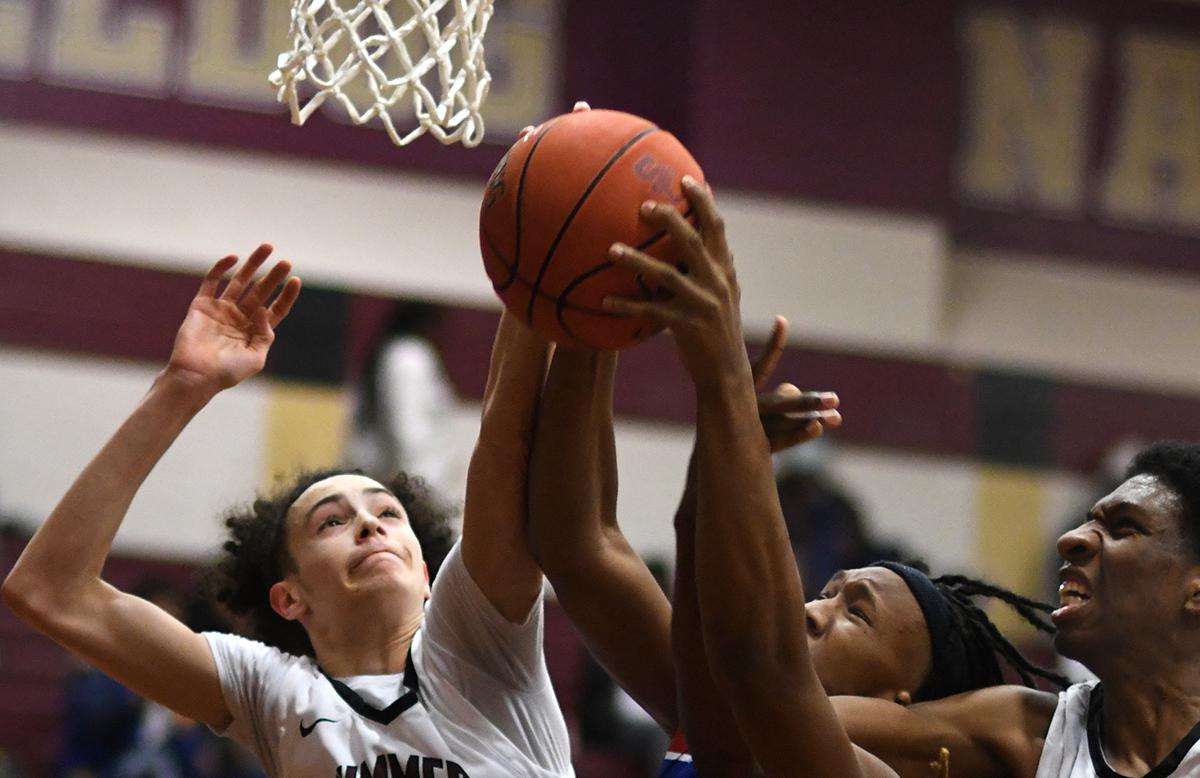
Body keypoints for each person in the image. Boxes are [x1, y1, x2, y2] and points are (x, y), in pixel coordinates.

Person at [2, 245, 573, 777]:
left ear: (427, 574)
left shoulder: (479, 644)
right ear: (289, 596)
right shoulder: (270, 692)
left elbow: (505, 447)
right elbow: (51, 591)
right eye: (333, 521)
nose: (369, 523)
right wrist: (182, 386)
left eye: (388, 514)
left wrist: (540, 272)